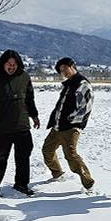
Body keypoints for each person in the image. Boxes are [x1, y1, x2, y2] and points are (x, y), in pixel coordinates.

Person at [0, 50, 40, 198]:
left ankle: (21, 184)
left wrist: (34, 116)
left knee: (23, 157)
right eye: (9, 64)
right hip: (2, 127)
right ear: (3, 63)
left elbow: (29, 99)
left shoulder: (24, 77)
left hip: (22, 125)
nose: (11, 67)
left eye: (14, 64)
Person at [41, 57, 95, 192]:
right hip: (57, 126)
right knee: (47, 150)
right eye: (61, 71)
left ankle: (88, 183)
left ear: (72, 66)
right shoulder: (69, 84)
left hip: (70, 128)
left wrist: (73, 121)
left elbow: (86, 106)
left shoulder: (82, 83)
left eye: (65, 69)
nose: (63, 72)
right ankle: (57, 174)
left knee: (71, 156)